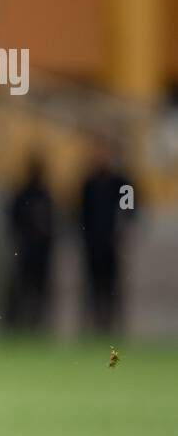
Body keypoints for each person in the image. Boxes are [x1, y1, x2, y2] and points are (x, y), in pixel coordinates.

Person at [79, 136, 134, 333]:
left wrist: (124, 229)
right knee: (92, 286)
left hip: (112, 243)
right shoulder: (89, 182)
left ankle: (112, 327)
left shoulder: (120, 182)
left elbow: (130, 208)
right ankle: (93, 327)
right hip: (93, 244)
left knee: (112, 288)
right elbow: (80, 214)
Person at [5, 153, 56, 331]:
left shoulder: (42, 195)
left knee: (36, 291)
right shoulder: (29, 194)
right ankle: (18, 326)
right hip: (28, 250)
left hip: (37, 251)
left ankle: (33, 326)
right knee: (23, 290)